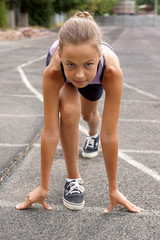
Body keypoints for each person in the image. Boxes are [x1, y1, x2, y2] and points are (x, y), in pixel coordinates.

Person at [16, 11, 142, 213]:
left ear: (99, 56)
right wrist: (43, 186)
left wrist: (114, 189)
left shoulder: (111, 72)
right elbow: (50, 130)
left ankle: (92, 133)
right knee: (69, 111)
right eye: (71, 64)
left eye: (88, 64)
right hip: (63, 77)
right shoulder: (54, 71)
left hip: (98, 77)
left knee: (88, 115)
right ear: (60, 56)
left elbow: (110, 134)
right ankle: (73, 178)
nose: (80, 74)